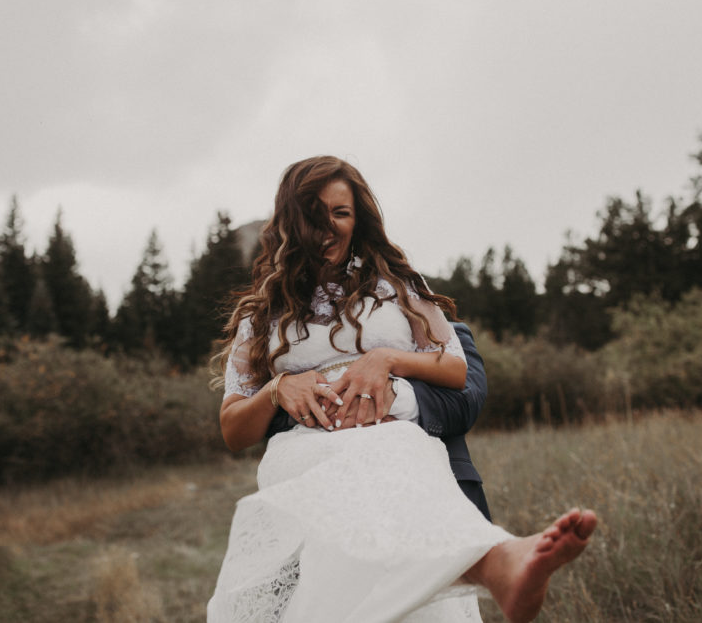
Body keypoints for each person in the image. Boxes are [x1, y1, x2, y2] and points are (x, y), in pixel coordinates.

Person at [207, 156, 596, 623]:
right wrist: (277, 388)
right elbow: (232, 429)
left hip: (398, 439)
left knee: (393, 448)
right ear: (291, 219)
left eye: (341, 213)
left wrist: (386, 358)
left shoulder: (396, 286)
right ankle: (494, 563)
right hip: (305, 455)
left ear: (358, 219)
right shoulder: (261, 316)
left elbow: (455, 370)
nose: (328, 226)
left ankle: (498, 563)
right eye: (314, 213)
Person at [266, 319, 494, 520]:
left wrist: (394, 396)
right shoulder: (293, 342)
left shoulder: (447, 334)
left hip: (435, 490)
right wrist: (322, 405)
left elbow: (466, 403)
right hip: (325, 497)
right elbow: (268, 421)